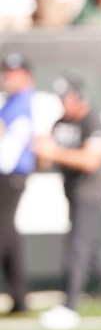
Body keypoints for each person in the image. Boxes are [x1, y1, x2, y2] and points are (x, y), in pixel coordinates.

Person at [34, 75, 101, 330]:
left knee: (77, 247)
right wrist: (41, 148)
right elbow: (45, 159)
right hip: (71, 192)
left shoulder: (93, 122)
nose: (63, 103)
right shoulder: (60, 123)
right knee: (89, 249)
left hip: (91, 193)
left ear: (78, 96)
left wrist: (55, 152)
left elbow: (90, 160)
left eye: (67, 97)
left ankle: (69, 306)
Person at [0, 53, 36, 315]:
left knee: (3, 232)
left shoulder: (25, 102)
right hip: (8, 173)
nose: (7, 77)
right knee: (9, 236)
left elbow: (11, 148)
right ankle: (20, 297)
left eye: (12, 72)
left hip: (10, 175)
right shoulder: (11, 102)